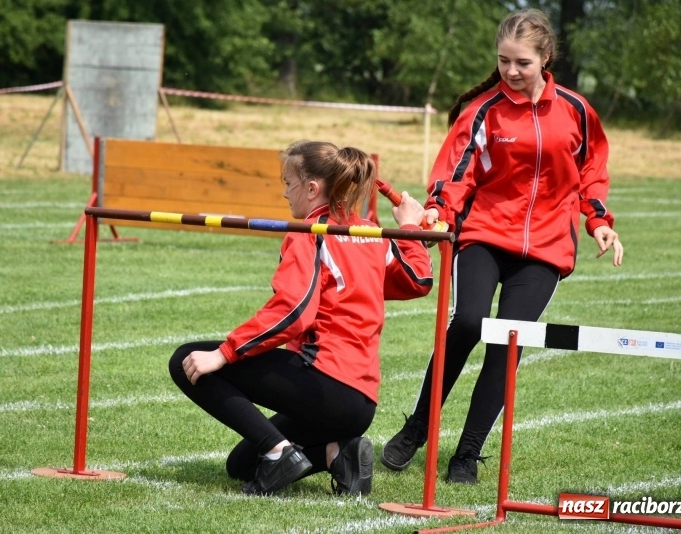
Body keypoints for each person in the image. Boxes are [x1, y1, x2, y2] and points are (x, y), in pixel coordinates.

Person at [380, 8, 624, 484]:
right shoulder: (483, 111)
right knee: (468, 321)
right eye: (504, 61)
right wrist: (438, 210)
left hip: (547, 247)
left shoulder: (576, 110)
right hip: (485, 235)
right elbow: (456, 173)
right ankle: (417, 428)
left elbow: (592, 170)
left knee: (507, 341)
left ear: (545, 58)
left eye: (522, 63)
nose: (511, 71)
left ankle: (467, 454)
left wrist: (598, 221)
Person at [169, 140, 434, 496]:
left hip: (325, 384)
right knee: (241, 465)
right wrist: (411, 229)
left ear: (312, 188)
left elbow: (294, 311)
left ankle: (281, 455)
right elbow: (419, 279)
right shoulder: (372, 234)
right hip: (361, 403)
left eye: (287, 183)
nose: (283, 193)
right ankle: (337, 453)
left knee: (185, 359)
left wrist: (225, 352)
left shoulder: (310, 233)